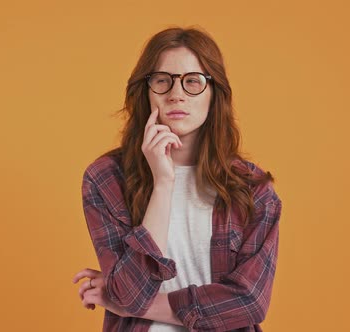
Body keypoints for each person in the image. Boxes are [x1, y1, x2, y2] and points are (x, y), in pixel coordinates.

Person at [72, 26, 283, 331]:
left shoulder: (254, 190)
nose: (176, 94)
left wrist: (135, 302)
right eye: (162, 81)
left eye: (193, 82)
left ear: (215, 94)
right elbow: (131, 291)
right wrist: (163, 183)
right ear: (145, 91)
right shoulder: (106, 179)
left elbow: (250, 301)